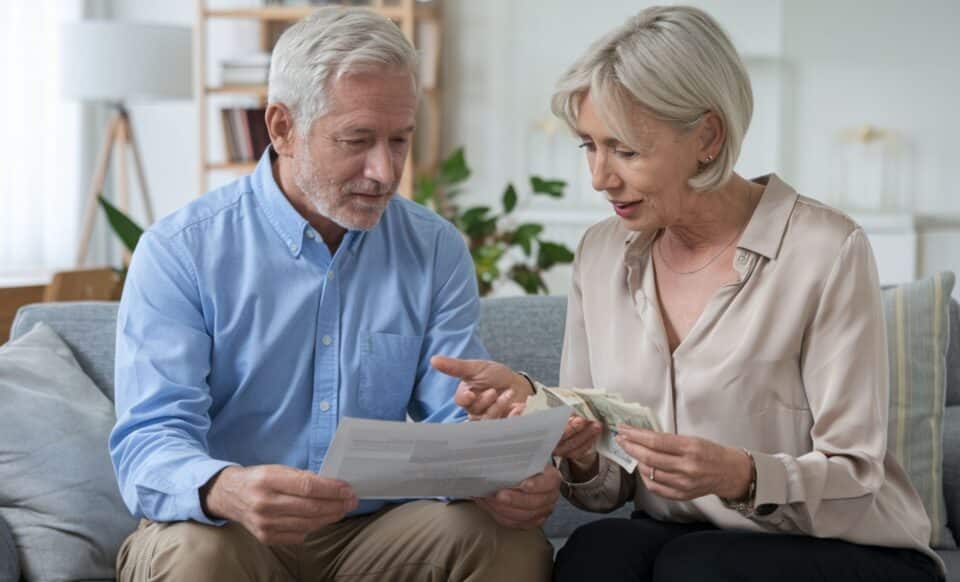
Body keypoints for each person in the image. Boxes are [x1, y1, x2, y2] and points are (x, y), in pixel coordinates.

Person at [438, 5, 945, 581]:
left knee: (696, 566)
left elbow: (855, 475)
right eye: (589, 146)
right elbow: (609, 488)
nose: (601, 177)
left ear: (707, 135)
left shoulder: (825, 249)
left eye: (625, 150)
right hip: (684, 536)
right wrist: (576, 448)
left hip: (849, 543)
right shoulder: (602, 254)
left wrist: (742, 475)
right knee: (594, 553)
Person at [108, 7, 558, 581]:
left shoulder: (435, 248)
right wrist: (228, 487)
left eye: (400, 141)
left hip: (372, 535)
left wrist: (502, 475)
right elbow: (150, 440)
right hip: (226, 528)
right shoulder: (180, 250)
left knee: (504, 542)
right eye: (357, 139)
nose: (384, 171)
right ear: (281, 128)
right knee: (199, 556)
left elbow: (455, 416)